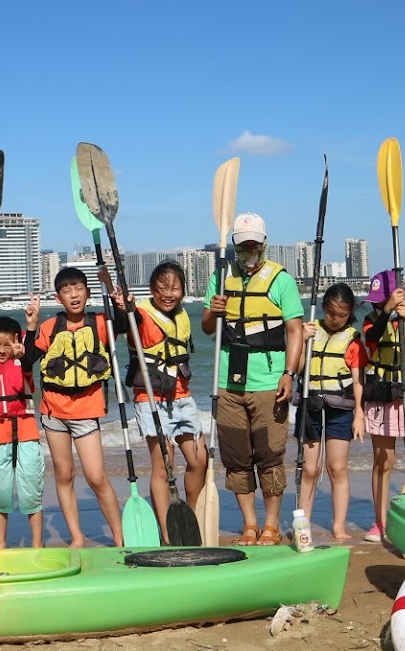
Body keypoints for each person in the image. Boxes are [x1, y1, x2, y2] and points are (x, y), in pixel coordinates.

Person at [201, 212, 304, 547]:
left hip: (269, 382)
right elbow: (206, 328)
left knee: (271, 455)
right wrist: (213, 311)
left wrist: (290, 373)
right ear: (234, 246)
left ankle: (272, 524)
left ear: (264, 244)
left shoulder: (281, 281)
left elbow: (295, 331)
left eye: (254, 246)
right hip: (229, 385)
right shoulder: (220, 276)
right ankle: (249, 524)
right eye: (243, 247)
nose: (249, 252)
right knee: (236, 457)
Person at [27, 266, 128, 547]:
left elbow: (123, 323)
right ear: (59, 298)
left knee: (96, 477)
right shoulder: (50, 327)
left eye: (78, 288)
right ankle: (76, 537)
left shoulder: (100, 323)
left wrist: (110, 285)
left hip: (86, 412)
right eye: (67, 290)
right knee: (64, 474)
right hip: (53, 413)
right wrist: (31, 326)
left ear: (87, 292)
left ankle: (119, 538)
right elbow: (26, 362)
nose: (73, 295)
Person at [126, 261, 206, 541]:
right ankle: (167, 530)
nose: (168, 293)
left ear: (183, 290)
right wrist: (121, 303)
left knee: (199, 460)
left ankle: (189, 514)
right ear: (151, 289)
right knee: (164, 465)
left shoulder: (183, 315)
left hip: (182, 396)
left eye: (175, 288)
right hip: (150, 397)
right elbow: (124, 321)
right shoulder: (140, 315)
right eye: (162, 288)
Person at [361, 268, 405, 542]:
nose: (379, 305)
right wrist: (386, 312)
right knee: (383, 461)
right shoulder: (370, 320)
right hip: (382, 398)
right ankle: (380, 522)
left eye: (384, 300)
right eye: (378, 302)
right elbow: (373, 338)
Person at [294, 283, 365, 541]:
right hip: (310, 406)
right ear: (323, 308)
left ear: (350, 314)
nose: (336, 319)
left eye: (342, 315)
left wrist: (359, 414)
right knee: (309, 469)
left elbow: (358, 382)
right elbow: (299, 367)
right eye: (332, 313)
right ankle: (304, 524)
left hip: (341, 410)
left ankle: (339, 525)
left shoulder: (352, 341)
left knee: (337, 468)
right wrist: (302, 340)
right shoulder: (310, 332)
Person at [0, 316, 45, 548]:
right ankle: (1, 544)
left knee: (30, 491)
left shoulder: (22, 363)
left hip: (26, 430)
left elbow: (27, 361)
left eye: (7, 345)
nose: (2, 350)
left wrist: (28, 334)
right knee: (2, 493)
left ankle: (36, 543)